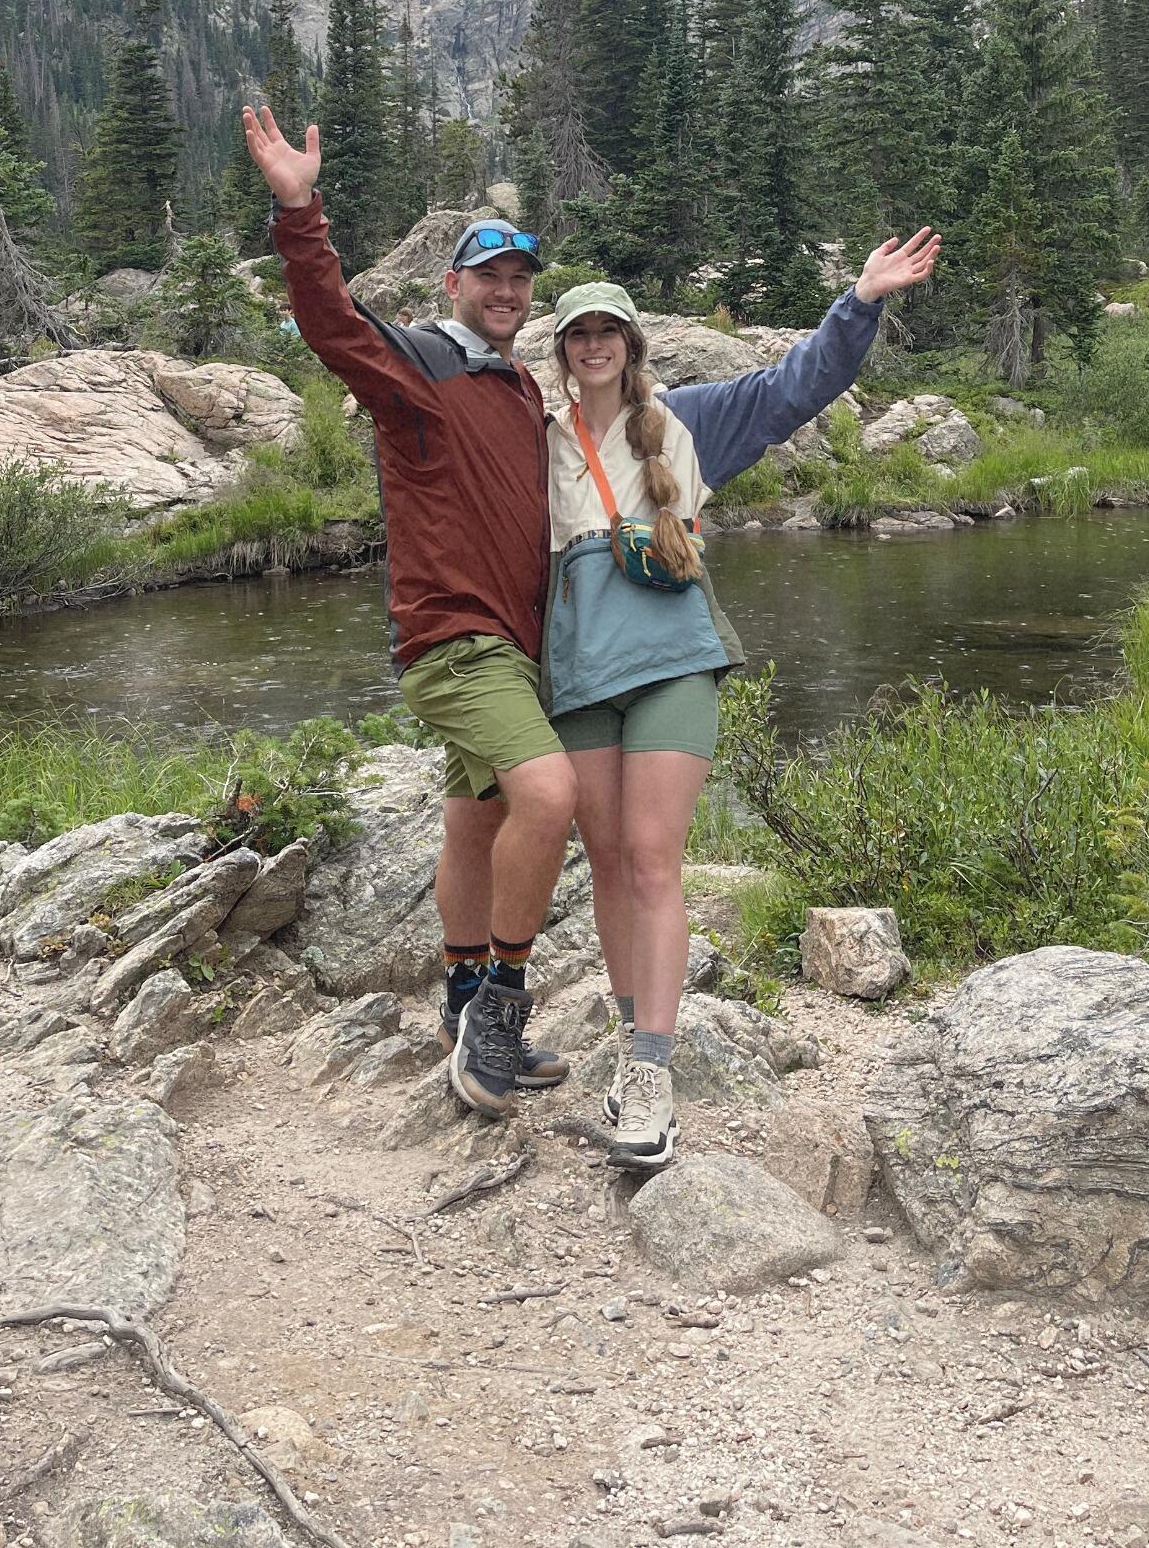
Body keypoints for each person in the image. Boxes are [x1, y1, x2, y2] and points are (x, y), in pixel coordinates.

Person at [544, 232, 941, 1169]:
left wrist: (859, 302)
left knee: (652, 859)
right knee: (608, 864)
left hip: (674, 664)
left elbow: (797, 386)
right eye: (578, 334)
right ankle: (629, 1032)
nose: (594, 346)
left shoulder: (688, 422)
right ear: (561, 351)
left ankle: (651, 1072)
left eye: (607, 332)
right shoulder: (536, 440)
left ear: (630, 345)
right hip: (576, 676)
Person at [240, 104, 577, 1119]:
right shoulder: (420, 364)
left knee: (476, 822)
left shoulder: (519, 384)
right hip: (456, 640)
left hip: (514, 645)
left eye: (519, 279)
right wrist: (300, 212)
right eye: (488, 277)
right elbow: (331, 324)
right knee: (548, 797)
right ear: (452, 285)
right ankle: (499, 1016)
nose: (506, 292)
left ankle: (462, 994)